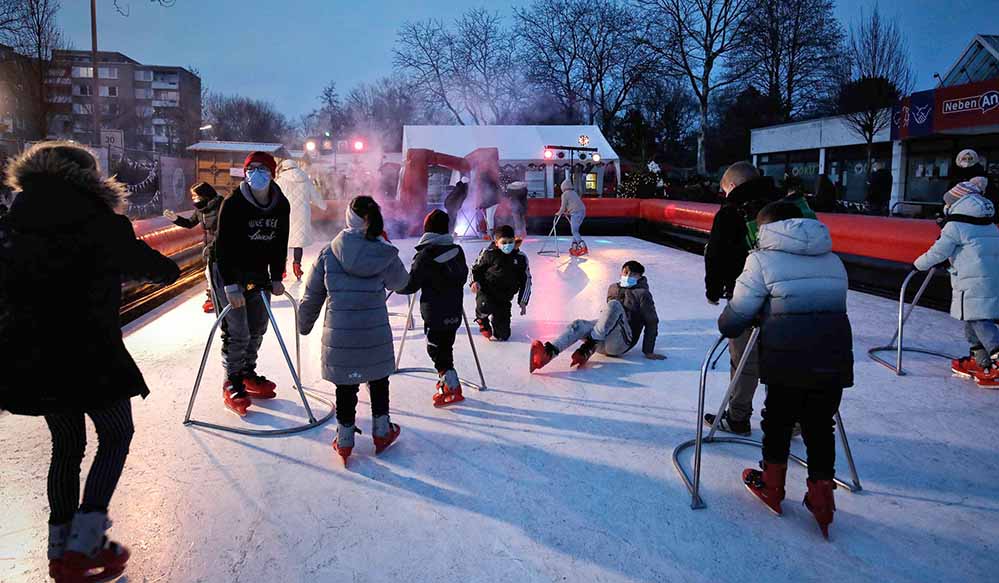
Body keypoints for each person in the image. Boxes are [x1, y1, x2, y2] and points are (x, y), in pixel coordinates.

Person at [0, 141, 180, 581]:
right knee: (117, 434)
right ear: (87, 178)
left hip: (34, 358)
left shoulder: (12, 223)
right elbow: (159, 269)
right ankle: (85, 542)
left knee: (66, 447)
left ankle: (60, 552)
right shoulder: (101, 222)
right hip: (91, 355)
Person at [718, 201, 853, 539]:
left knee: (777, 419)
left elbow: (739, 313)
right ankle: (823, 500)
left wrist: (727, 323)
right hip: (833, 356)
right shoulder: (833, 259)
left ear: (764, 229)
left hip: (787, 358)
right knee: (820, 425)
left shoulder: (761, 260)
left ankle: (773, 485)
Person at [299, 196, 409, 465]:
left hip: (341, 334)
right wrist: (386, 248)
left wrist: (304, 324)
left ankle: (345, 437)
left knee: (345, 386)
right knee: (378, 380)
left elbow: (312, 294)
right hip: (373, 333)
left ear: (348, 219)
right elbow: (402, 283)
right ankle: (382, 430)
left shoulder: (328, 252)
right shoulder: (383, 252)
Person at [703, 161, 778, 436]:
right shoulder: (785, 204)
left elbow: (716, 255)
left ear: (732, 186)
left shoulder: (730, 211)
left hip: (747, 295)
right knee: (783, 357)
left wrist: (713, 290)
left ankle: (738, 417)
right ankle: (786, 418)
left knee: (745, 359)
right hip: (789, 299)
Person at [212, 151, 290, 416]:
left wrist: (277, 275)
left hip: (258, 271)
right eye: (251, 168)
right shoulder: (233, 204)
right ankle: (231, 379)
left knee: (258, 325)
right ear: (245, 173)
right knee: (238, 328)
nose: (257, 173)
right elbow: (222, 246)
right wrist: (231, 284)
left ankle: (247, 371)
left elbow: (280, 242)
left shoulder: (281, 204)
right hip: (229, 270)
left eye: (262, 168)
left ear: (272, 173)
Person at [914, 178, 999, 388]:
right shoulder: (988, 223)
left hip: (971, 281)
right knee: (972, 318)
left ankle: (997, 357)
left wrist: (917, 265)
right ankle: (981, 361)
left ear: (956, 203)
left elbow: (938, 251)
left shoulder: (955, 225)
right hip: (988, 278)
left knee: (980, 321)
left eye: (949, 202)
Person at [529, 260, 664, 372]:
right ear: (621, 272)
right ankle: (547, 354)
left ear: (640, 277)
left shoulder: (643, 294)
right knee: (578, 324)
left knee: (614, 305)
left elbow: (652, 322)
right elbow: (608, 318)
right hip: (601, 342)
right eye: (626, 272)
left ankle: (589, 346)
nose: (628, 276)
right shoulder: (613, 288)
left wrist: (648, 351)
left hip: (621, 343)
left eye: (633, 275)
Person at [397, 209, 470, 407]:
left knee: (435, 349)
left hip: (434, 313)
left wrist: (396, 285)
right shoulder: (458, 251)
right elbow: (463, 275)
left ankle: (451, 383)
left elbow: (411, 284)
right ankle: (447, 379)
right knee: (446, 345)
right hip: (454, 311)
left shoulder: (425, 256)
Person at [164, 181, 222, 313]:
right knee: (209, 273)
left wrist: (215, 243)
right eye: (192, 196)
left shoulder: (221, 206)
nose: (193, 199)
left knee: (220, 274)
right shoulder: (200, 210)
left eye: (195, 196)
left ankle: (222, 297)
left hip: (222, 247)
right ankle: (212, 298)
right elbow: (190, 223)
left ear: (205, 195)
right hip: (209, 248)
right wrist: (175, 219)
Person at [471, 224, 532, 342]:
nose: (507, 245)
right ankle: (482, 319)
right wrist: (475, 282)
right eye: (504, 242)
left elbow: (526, 280)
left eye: (510, 242)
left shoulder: (520, 258)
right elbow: (476, 269)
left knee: (503, 336)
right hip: (487, 292)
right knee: (485, 306)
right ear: (497, 242)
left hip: (504, 297)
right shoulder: (488, 253)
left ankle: (499, 324)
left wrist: (523, 301)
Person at [275, 158, 327, 280]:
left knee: (283, 241)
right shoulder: (305, 179)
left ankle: (282, 269)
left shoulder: (280, 181)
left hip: (285, 214)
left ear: (285, 168)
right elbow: (315, 195)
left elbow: (274, 197)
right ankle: (297, 267)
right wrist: (323, 206)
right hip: (302, 214)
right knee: (298, 242)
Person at [558, 176, 587, 256]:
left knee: (574, 231)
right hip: (582, 212)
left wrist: (559, 213)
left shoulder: (564, 194)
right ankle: (574, 247)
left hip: (576, 213)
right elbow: (573, 205)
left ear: (563, 187)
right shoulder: (573, 192)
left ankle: (583, 246)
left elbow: (563, 207)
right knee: (575, 231)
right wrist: (567, 212)